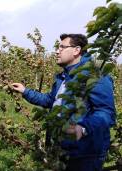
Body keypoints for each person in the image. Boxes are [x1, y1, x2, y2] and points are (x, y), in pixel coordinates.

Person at [11, 34, 116, 171]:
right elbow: (50, 100)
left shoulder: (94, 75)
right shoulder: (63, 77)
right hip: (61, 148)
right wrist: (25, 91)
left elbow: (106, 112)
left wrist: (83, 128)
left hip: (85, 153)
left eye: (62, 47)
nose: (56, 51)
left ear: (76, 50)